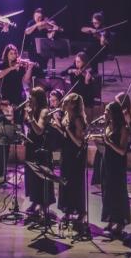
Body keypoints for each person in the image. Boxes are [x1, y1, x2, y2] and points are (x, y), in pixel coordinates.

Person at [54, 93, 88, 225]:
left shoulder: (78, 119)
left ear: (73, 105)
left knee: (75, 184)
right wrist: (58, 126)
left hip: (75, 155)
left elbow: (79, 143)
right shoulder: (67, 115)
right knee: (66, 182)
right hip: (67, 153)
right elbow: (65, 134)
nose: (63, 103)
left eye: (66, 102)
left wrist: (67, 130)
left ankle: (81, 212)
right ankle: (68, 210)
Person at [99, 99, 131, 238]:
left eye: (107, 110)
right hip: (107, 161)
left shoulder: (124, 128)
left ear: (113, 113)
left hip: (117, 164)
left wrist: (109, 142)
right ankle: (111, 219)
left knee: (118, 193)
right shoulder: (108, 124)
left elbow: (122, 151)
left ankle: (120, 222)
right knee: (107, 192)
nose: (104, 113)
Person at [23, 86, 55, 215]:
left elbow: (39, 131)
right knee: (31, 175)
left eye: (32, 96)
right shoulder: (33, 109)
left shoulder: (44, 112)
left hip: (41, 148)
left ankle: (43, 205)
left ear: (38, 98)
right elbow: (29, 127)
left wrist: (31, 117)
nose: (29, 98)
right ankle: (35, 201)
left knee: (41, 176)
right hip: (31, 145)